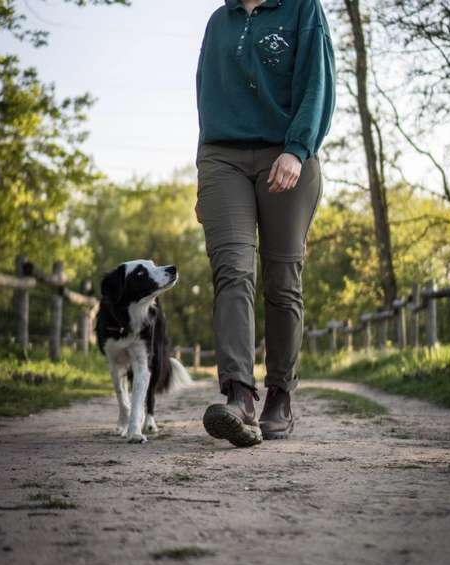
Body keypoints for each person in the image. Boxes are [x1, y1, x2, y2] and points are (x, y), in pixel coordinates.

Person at [195, 0, 336, 447]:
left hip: (288, 151)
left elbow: (317, 83)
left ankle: (280, 395)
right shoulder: (219, 22)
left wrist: (298, 148)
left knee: (281, 278)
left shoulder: (302, 10)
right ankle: (238, 396)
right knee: (233, 270)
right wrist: (206, 176)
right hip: (223, 157)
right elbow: (207, 95)